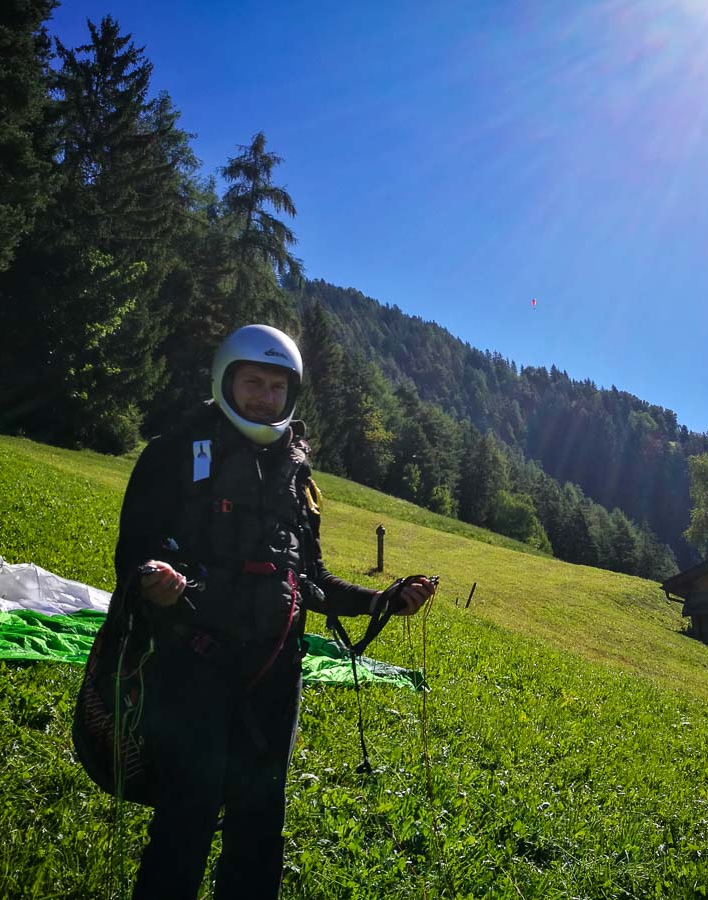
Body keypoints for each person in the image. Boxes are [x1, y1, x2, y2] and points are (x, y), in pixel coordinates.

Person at [113, 324, 435, 898]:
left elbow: (310, 579)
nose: (265, 398)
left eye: (277, 387)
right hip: (192, 663)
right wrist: (153, 580)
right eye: (253, 383)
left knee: (261, 819)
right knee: (187, 812)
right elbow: (135, 551)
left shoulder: (297, 477)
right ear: (225, 381)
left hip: (275, 674)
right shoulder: (172, 454)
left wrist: (381, 602)